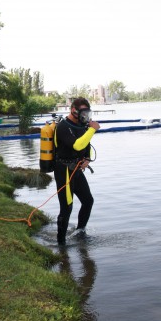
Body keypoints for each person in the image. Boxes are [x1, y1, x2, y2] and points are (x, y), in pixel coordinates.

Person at [53, 97, 100, 245]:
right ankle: (61, 243)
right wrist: (93, 129)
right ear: (73, 110)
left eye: (87, 112)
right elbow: (77, 145)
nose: (85, 116)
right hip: (63, 170)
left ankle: (80, 232)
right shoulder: (63, 127)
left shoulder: (82, 126)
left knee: (88, 201)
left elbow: (86, 147)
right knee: (66, 208)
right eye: (83, 112)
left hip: (77, 169)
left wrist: (87, 159)